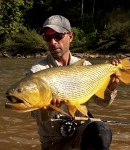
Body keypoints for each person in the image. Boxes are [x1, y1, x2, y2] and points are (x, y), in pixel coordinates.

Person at [27, 15, 121, 150]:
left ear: (70, 36)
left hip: (80, 135)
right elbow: (33, 114)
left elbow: (103, 102)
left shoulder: (86, 66)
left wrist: (111, 87)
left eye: (58, 36)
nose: (52, 42)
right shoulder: (37, 71)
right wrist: (46, 110)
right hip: (53, 142)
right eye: (48, 37)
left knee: (100, 131)